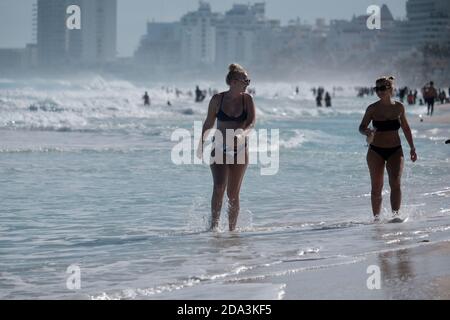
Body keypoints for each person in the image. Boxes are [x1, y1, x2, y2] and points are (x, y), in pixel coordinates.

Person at [197, 64, 256, 231]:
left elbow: (251, 123)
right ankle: (213, 228)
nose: (247, 83)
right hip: (219, 147)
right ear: (233, 81)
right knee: (219, 187)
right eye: (245, 80)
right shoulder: (217, 99)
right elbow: (209, 122)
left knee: (233, 194)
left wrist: (241, 135)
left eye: (248, 80)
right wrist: (201, 143)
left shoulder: (248, 100)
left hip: (241, 149)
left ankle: (231, 231)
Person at [359, 76, 417, 222]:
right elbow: (362, 127)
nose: (379, 91)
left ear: (391, 89)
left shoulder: (399, 107)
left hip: (395, 150)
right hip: (375, 151)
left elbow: (406, 128)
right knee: (376, 187)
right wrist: (367, 132)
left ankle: (396, 217)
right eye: (377, 89)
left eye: (383, 88)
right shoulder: (372, 108)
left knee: (395, 182)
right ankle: (377, 220)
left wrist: (412, 148)